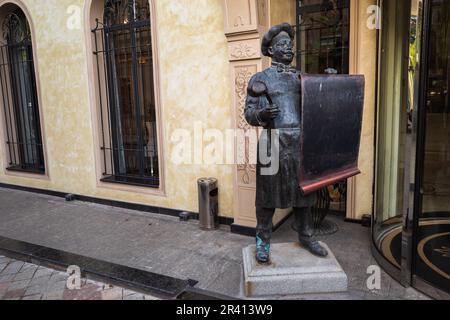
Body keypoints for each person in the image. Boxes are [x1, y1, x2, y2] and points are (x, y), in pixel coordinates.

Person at [245, 23, 328, 264]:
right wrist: (262, 115)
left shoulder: (301, 77)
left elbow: (317, 104)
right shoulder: (259, 79)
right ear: (270, 51)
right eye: (282, 45)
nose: (288, 49)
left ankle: (306, 235)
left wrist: (328, 83)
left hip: (299, 142)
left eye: (290, 45)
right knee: (266, 197)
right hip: (272, 143)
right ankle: (262, 241)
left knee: (303, 194)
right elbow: (249, 113)